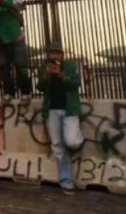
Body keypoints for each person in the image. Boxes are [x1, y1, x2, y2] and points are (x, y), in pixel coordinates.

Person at [37, 42, 83, 195]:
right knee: (57, 146)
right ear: (48, 55)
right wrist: (45, 76)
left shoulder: (69, 66)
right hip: (51, 111)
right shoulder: (43, 68)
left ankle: (78, 138)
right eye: (52, 53)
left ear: (62, 55)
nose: (55, 56)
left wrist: (61, 75)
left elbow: (76, 83)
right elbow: (40, 88)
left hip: (69, 109)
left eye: (58, 53)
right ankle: (66, 180)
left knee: (72, 141)